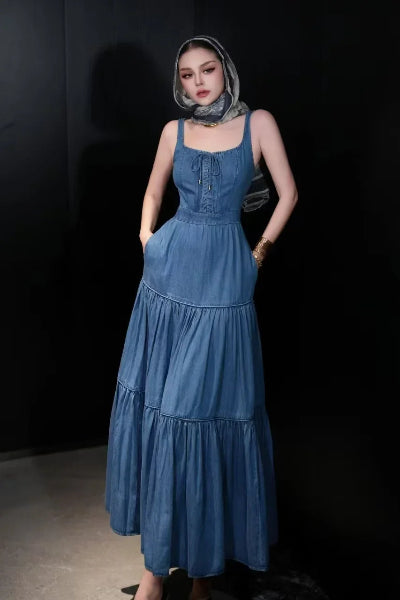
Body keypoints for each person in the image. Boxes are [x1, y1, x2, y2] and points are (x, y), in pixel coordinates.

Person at [105, 34, 298, 600]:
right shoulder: (175, 131)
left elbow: (288, 194)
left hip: (226, 281)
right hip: (169, 280)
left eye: (207, 70)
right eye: (187, 75)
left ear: (225, 70)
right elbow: (151, 194)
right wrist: (149, 240)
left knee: (206, 415)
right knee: (169, 416)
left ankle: (202, 575)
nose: (198, 83)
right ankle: (157, 575)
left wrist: (256, 256)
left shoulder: (259, 123)